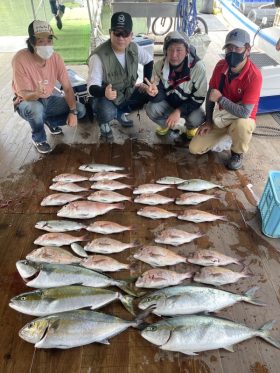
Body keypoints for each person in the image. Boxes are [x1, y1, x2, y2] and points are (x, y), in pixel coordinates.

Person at [189, 28, 262, 170]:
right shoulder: (221, 66)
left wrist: (221, 99)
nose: (232, 52)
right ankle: (226, 136)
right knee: (194, 148)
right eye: (229, 48)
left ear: (247, 50)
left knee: (242, 125)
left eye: (237, 48)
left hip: (242, 119)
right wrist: (208, 121)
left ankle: (237, 153)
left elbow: (244, 112)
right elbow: (210, 95)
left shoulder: (254, 76)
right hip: (222, 117)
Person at [12, 20, 86, 154]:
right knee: (36, 109)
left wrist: (73, 112)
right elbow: (24, 95)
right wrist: (36, 93)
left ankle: (49, 122)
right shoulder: (20, 59)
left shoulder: (56, 58)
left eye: (49, 40)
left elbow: (68, 88)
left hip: (48, 99)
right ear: (31, 42)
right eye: (41, 41)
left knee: (80, 109)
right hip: (27, 101)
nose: (46, 45)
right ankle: (39, 138)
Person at [87, 12, 154, 139]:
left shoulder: (134, 47)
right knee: (107, 111)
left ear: (131, 35)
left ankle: (121, 112)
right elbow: (91, 87)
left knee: (148, 94)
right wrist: (104, 92)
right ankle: (104, 122)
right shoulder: (98, 56)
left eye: (125, 33)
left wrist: (146, 83)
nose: (121, 38)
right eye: (117, 33)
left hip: (126, 92)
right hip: (106, 97)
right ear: (110, 32)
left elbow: (149, 60)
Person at [144, 31, 206, 141]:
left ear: (187, 51)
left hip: (188, 105)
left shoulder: (198, 68)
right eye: (170, 49)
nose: (174, 55)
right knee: (150, 108)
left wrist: (179, 111)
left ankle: (190, 127)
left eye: (179, 50)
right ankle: (167, 125)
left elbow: (198, 99)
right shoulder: (159, 66)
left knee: (197, 118)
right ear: (165, 51)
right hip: (169, 103)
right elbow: (159, 94)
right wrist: (154, 93)